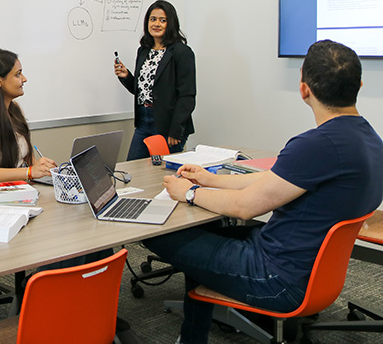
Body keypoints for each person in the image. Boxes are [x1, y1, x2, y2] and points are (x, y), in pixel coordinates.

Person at [143, 40, 383, 344]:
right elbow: (271, 182)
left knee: (157, 230)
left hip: (274, 276)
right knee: (211, 232)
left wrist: (188, 193)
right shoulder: (371, 141)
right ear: (359, 85)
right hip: (306, 268)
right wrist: (208, 180)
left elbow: (246, 207)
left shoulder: (315, 144)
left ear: (304, 88)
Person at [115, 0, 196, 160]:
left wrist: (175, 130)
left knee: (162, 175)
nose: (156, 24)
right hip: (144, 122)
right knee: (134, 170)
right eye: (153, 19)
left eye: (163, 20)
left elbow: (187, 96)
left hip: (168, 124)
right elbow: (142, 90)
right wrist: (127, 77)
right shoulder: (144, 51)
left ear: (171, 23)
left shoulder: (182, 52)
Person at [0, 47, 57, 185]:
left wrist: (43, 169)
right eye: (18, 74)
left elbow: (28, 163)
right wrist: (29, 172)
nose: (24, 79)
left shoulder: (14, 110)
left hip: (19, 191)